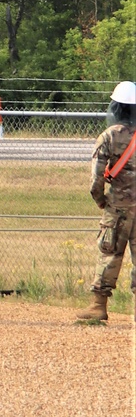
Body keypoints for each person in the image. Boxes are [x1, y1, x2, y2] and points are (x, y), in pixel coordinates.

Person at [77, 79, 136, 323]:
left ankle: (98, 306)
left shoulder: (109, 137)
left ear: (115, 108)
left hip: (117, 207)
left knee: (109, 254)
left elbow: (95, 182)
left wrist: (102, 202)